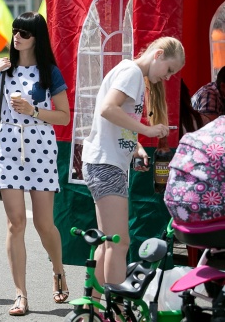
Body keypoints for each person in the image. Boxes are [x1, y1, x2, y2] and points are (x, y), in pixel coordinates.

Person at [0, 11, 71, 316]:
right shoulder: (4, 71)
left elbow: (65, 116)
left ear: (36, 38)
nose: (17, 37)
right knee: (16, 222)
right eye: (15, 31)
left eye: (24, 33)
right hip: (7, 147)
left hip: (41, 146)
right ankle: (20, 294)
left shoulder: (49, 72)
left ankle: (58, 271)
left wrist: (33, 110)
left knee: (44, 223)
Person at [81, 37, 185, 310]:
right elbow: (107, 109)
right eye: (170, 70)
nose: (168, 77)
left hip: (105, 163)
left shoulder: (133, 74)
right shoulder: (132, 73)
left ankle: (95, 306)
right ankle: (116, 308)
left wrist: (136, 147)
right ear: (158, 54)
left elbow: (116, 118)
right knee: (119, 241)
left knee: (108, 241)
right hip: (105, 165)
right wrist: (147, 131)